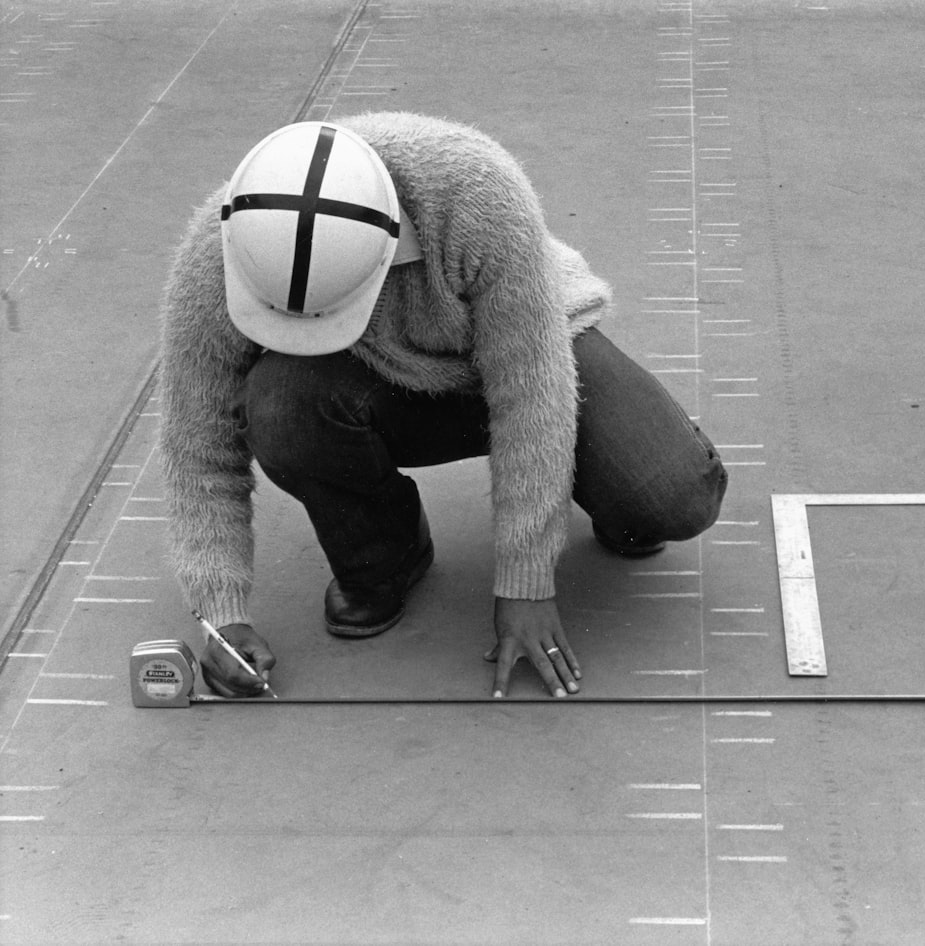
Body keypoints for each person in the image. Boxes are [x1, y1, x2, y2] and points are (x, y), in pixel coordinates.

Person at [158, 112, 727, 700]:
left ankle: (615, 486)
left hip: (533, 350)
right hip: (377, 380)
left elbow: (529, 395)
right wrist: (221, 617)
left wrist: (526, 585)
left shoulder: (476, 190)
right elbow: (198, 442)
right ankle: (387, 553)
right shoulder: (219, 250)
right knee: (279, 406)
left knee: (672, 500)